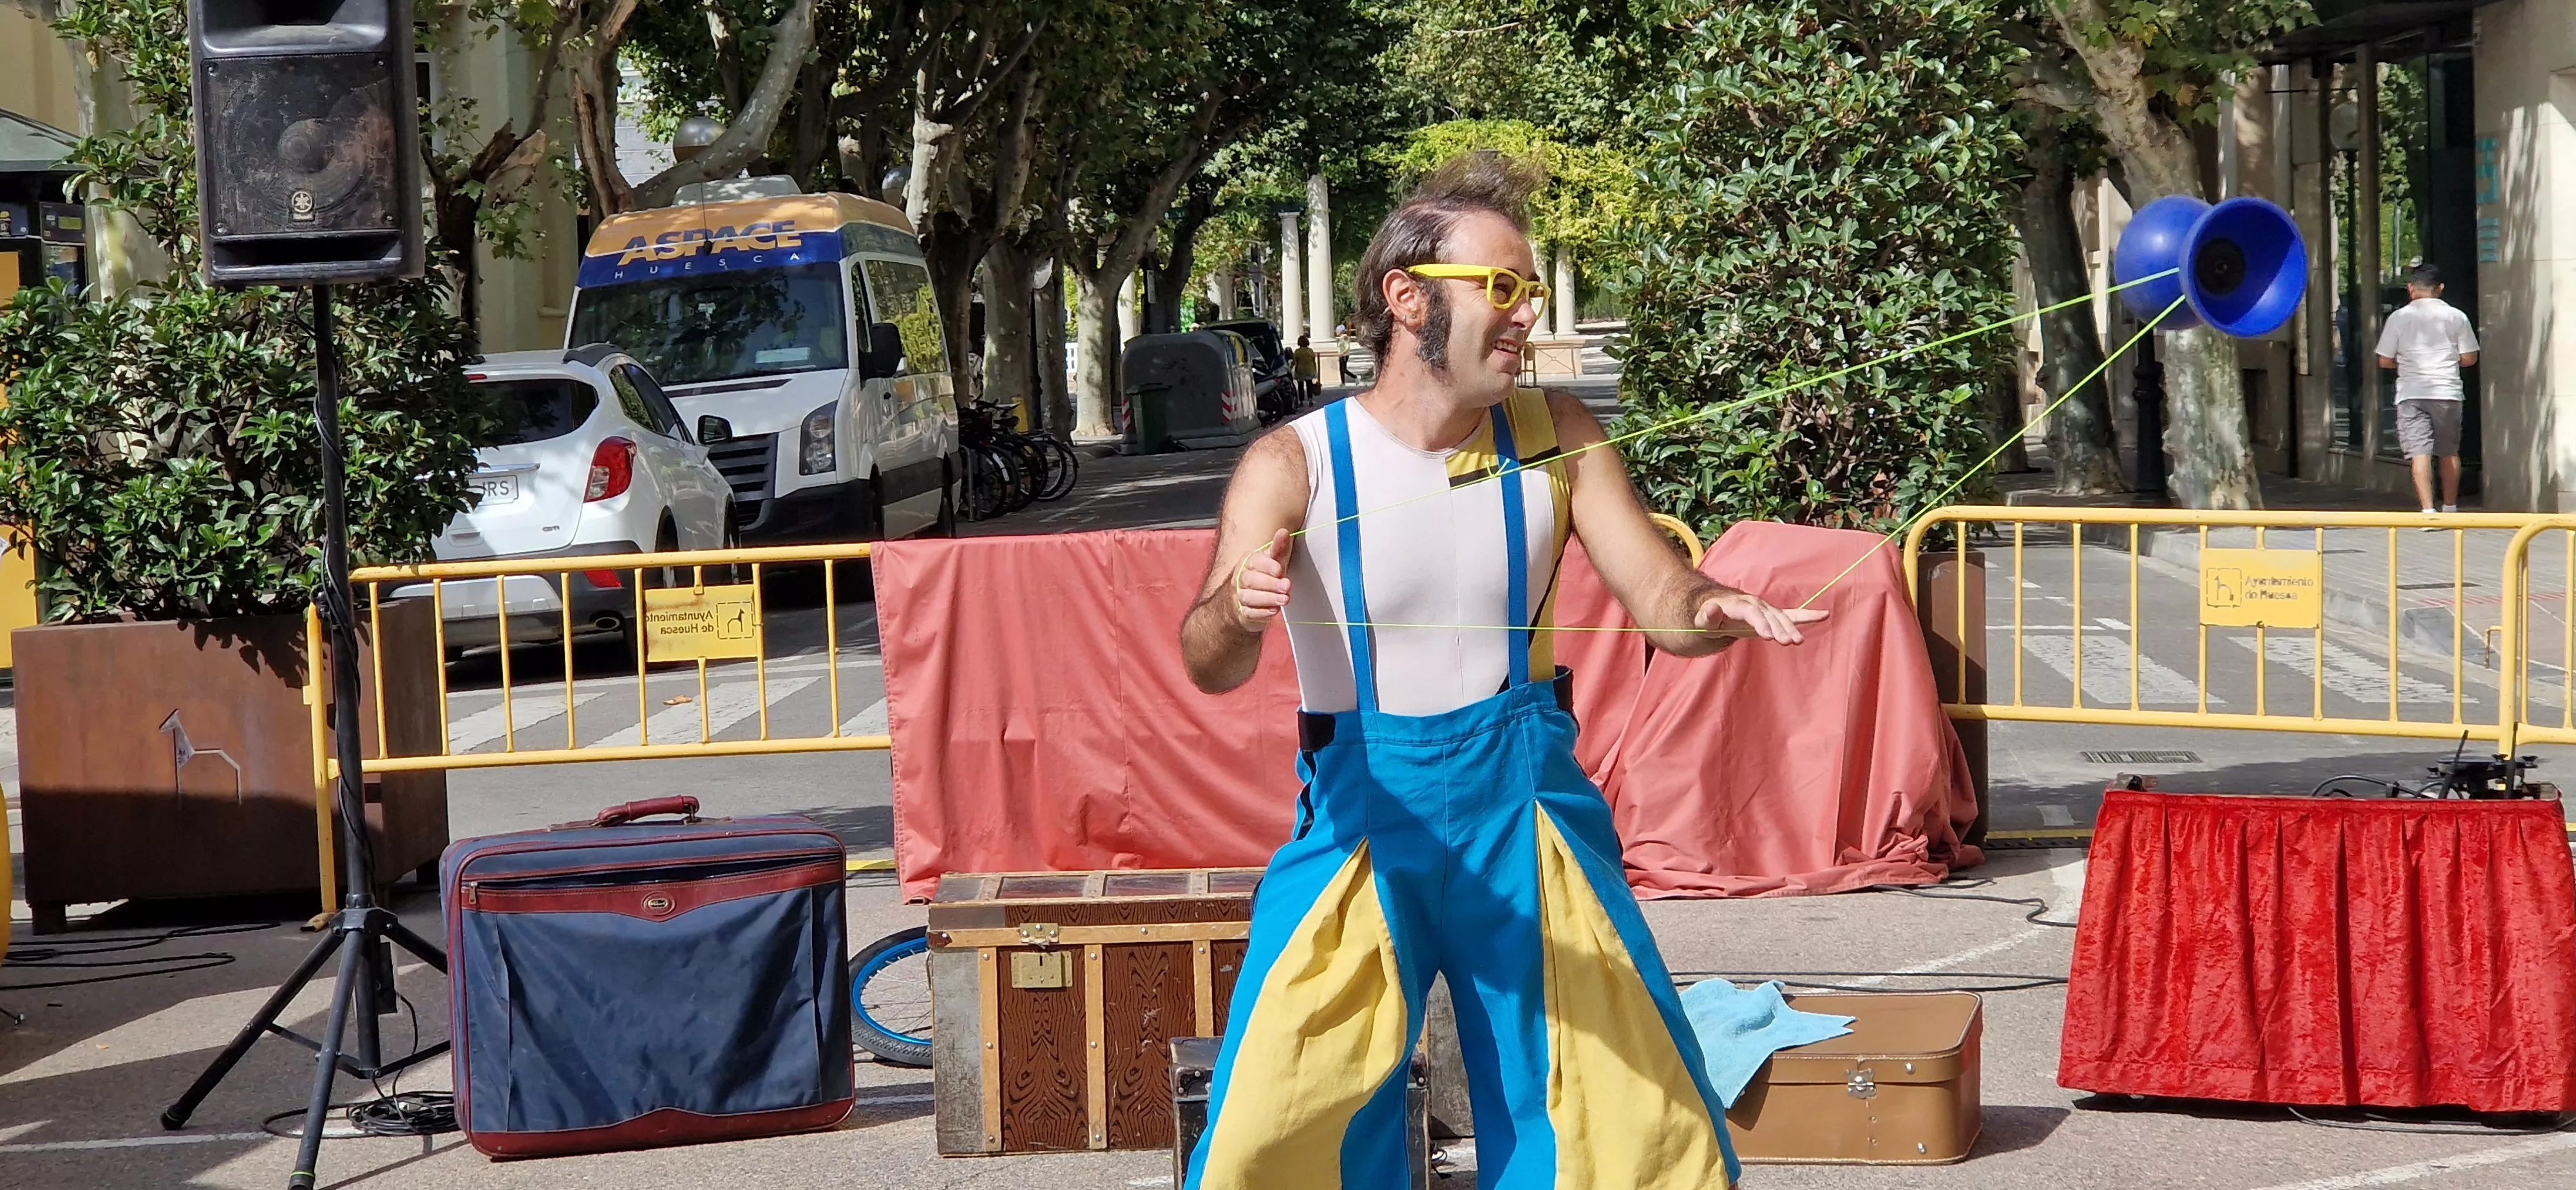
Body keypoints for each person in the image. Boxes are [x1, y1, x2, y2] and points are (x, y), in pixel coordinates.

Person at [1175, 151, 1824, 1190]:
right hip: (1360, 811)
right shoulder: (1296, 461)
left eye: (1529, 290)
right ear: (1406, 298)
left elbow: (1663, 597)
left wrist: (1716, 608)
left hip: (1525, 800)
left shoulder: (1557, 435)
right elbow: (1206, 660)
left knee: (1619, 1117)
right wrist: (1237, 608)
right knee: (1273, 1123)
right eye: (1505, 289)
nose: (1526, 315)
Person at [2374, 263, 2480, 516]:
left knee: (2419, 453)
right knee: (2449, 452)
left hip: (2411, 393)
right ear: (2440, 289)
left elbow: (2384, 360)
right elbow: (2470, 358)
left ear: (2411, 289)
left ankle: (2428, 510)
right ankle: (2451, 507)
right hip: (2447, 392)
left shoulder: (2398, 318)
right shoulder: (2456, 317)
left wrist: (2406, 362)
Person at [1291, 334, 1321, 408]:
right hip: (1309, 370)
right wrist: (1315, 371)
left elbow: (1294, 362)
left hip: (1300, 371)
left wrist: (1291, 367)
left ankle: (1301, 401)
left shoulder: (1297, 352)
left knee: (1300, 387)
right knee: (1309, 385)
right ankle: (1310, 400)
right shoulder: (1310, 351)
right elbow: (1314, 362)